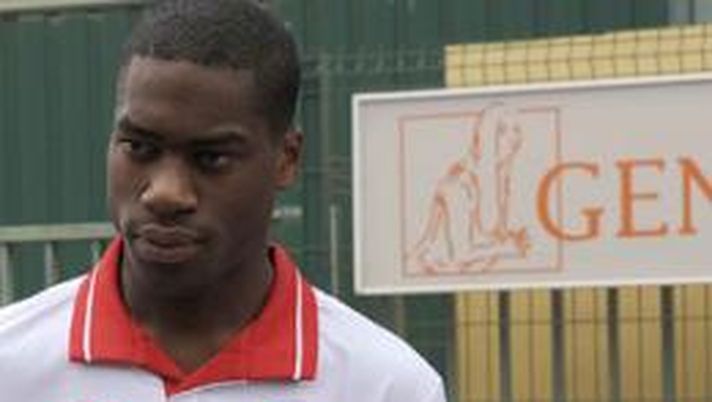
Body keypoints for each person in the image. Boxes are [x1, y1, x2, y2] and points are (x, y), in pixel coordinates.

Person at [0, 1, 446, 401]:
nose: (166, 193)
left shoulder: (384, 386)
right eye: (140, 147)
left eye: (210, 158)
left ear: (286, 159)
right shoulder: (12, 365)